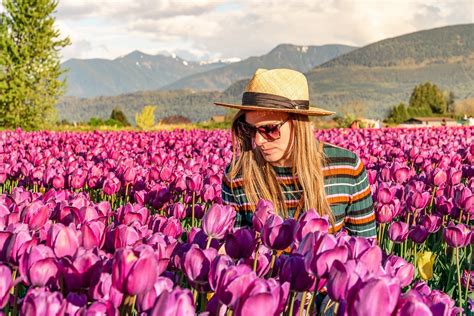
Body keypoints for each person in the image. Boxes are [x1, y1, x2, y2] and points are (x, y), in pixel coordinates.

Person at [215, 68, 376, 238]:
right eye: (248, 129)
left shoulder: (346, 167)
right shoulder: (237, 175)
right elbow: (235, 252)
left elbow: (365, 248)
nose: (258, 140)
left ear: (298, 123)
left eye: (269, 129)